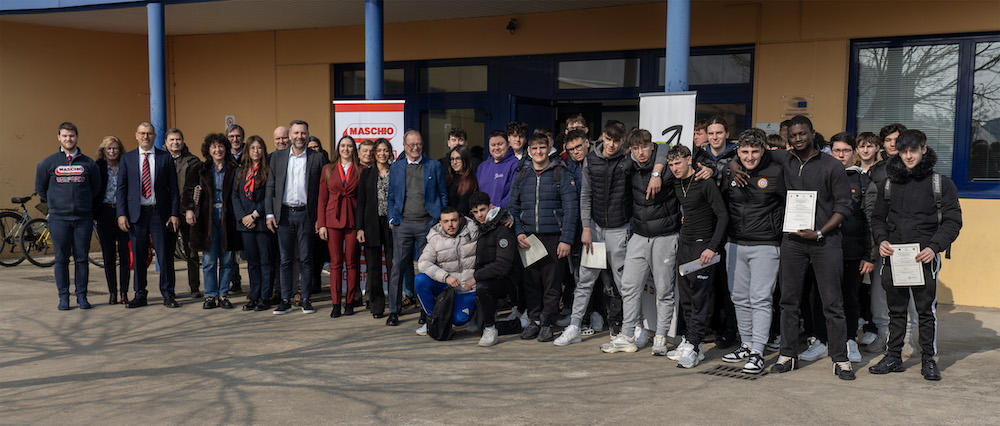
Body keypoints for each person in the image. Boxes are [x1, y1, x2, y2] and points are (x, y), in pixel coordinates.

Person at [731, 115, 855, 380]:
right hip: (793, 242)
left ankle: (840, 358)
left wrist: (820, 231)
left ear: (812, 133)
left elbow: (844, 206)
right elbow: (749, 151)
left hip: (825, 241)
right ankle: (787, 355)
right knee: (788, 302)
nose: (798, 139)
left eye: (803, 134)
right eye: (793, 135)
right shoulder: (784, 159)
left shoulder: (832, 166)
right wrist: (732, 165)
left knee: (832, 303)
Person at [869, 129, 962, 381]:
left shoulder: (940, 183)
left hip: (925, 257)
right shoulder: (889, 183)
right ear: (898, 152)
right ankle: (893, 357)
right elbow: (877, 218)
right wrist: (882, 240)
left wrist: (934, 247)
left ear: (923, 149)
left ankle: (928, 360)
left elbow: (953, 221)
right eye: (904, 151)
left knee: (925, 311)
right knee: (896, 310)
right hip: (894, 256)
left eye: (913, 150)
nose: (909, 156)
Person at [610, 129, 683, 355]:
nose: (641, 152)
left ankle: (660, 336)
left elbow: (665, 148)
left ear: (652, 146)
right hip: (639, 235)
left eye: (644, 147)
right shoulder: (629, 167)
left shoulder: (666, 166)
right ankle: (628, 334)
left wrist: (657, 173)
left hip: (665, 235)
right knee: (629, 286)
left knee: (664, 289)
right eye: (636, 148)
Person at [720, 129, 785, 374]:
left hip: (766, 245)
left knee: (760, 299)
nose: (749, 157)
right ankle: (746, 344)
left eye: (754, 152)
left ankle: (758, 350)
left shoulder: (776, 172)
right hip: (735, 243)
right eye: (744, 152)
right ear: (737, 151)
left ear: (763, 151)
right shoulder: (730, 171)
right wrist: (732, 165)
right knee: (738, 297)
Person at [508, 133, 578, 342]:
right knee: (530, 283)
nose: (538, 152)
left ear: (549, 149)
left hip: (553, 237)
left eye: (542, 148)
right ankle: (534, 320)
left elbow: (571, 208)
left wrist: (566, 239)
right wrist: (519, 232)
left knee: (552, 283)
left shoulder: (560, 173)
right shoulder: (522, 174)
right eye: (535, 148)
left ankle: (547, 322)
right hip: (528, 238)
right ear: (529, 151)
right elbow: (513, 206)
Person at [667, 144, 728, 368]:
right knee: (686, 298)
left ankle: (694, 344)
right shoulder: (677, 182)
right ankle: (692, 341)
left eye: (678, 163)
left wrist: (712, 247)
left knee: (700, 298)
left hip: (703, 248)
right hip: (685, 244)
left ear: (689, 160)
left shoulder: (705, 182)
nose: (674, 168)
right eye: (671, 164)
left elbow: (722, 216)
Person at [35, 122, 101, 310]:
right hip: (59, 220)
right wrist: (55, 204)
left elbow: (96, 188)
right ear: (58, 137)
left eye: (71, 136)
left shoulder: (88, 164)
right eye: (64, 136)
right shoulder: (47, 163)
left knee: (81, 259)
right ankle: (63, 297)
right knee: (61, 259)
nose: (68, 139)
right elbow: (41, 188)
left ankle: (82, 297)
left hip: (83, 220)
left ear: (77, 137)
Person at [265, 120, 329, 315]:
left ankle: (306, 299)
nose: (299, 136)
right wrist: (269, 213)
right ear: (290, 135)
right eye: (296, 133)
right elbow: (271, 186)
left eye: (303, 133)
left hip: (306, 215)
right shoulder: (277, 157)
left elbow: (322, 191)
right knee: (285, 259)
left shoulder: (317, 158)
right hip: (284, 215)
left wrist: (320, 218)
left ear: (308, 135)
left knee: (306, 259)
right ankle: (285, 299)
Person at [386, 130, 448, 326]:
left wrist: (439, 219)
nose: (415, 147)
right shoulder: (396, 168)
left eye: (419, 144)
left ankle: (425, 310)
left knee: (426, 269)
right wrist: (392, 217)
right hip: (402, 224)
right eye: (411, 144)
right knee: (398, 267)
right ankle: (394, 311)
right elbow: (391, 197)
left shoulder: (434, 166)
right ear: (404, 146)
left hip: (427, 224)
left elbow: (443, 194)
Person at [116, 122, 181, 309]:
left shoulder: (164, 158)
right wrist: (121, 214)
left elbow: (174, 189)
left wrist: (174, 213)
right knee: (138, 256)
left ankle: (168, 294)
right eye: (143, 133)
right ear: (136, 135)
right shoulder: (127, 159)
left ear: (154, 136)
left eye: (149, 134)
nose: (146, 137)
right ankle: (140, 294)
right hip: (136, 216)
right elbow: (121, 189)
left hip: (159, 214)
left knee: (165, 256)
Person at [183, 133, 241, 309]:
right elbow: (187, 190)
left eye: (221, 146)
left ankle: (223, 295)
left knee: (227, 259)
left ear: (226, 148)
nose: (218, 150)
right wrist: (189, 210)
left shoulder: (234, 168)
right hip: (206, 219)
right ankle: (210, 296)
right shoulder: (200, 168)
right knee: (208, 260)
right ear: (208, 149)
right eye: (214, 147)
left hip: (228, 218)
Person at [469, 191, 525, 346]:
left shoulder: (503, 226)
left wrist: (476, 277)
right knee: (479, 328)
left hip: (505, 280)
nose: (479, 215)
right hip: (486, 279)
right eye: (475, 212)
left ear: (491, 207)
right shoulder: (477, 227)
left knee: (482, 287)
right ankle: (519, 325)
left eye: (482, 210)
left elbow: (503, 266)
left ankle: (491, 329)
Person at [413, 207, 479, 336]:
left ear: (460, 220)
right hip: (448, 287)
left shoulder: (474, 230)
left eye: (454, 220)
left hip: (468, 288)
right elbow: (423, 263)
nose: (450, 225)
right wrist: (445, 277)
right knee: (420, 280)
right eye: (446, 221)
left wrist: (507, 218)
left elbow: (493, 222)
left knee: (459, 320)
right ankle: (434, 319)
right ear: (440, 222)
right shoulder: (435, 237)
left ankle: (476, 311)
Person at [318, 135, 361, 318]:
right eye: (343, 146)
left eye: (350, 146)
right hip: (332, 219)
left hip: (353, 219)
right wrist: (321, 224)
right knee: (335, 263)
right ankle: (336, 303)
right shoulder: (328, 169)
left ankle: (350, 302)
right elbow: (322, 198)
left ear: (354, 149)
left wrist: (362, 226)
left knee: (351, 262)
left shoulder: (361, 170)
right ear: (338, 149)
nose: (346, 149)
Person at [231, 135, 273, 311]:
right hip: (245, 225)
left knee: (266, 262)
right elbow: (235, 196)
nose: (256, 151)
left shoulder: (268, 170)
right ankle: (254, 296)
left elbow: (270, 196)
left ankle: (265, 297)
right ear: (247, 151)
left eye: (259, 148)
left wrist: (255, 215)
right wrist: (243, 217)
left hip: (262, 223)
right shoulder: (241, 171)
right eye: (252, 148)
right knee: (252, 262)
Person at [357, 138, 394, 318]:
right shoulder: (366, 174)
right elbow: (361, 203)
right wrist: (360, 228)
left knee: (393, 265)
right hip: (371, 225)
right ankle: (377, 306)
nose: (382, 154)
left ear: (390, 153)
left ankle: (394, 305)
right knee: (373, 268)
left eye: (385, 150)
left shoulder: (396, 172)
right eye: (379, 150)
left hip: (392, 225)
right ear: (374, 153)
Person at [164, 128, 203, 298]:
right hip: (167, 213)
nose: (175, 142)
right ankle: (169, 289)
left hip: (188, 211)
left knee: (192, 252)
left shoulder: (193, 161)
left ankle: (194, 287)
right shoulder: (160, 160)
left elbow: (198, 187)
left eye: (178, 139)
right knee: (168, 252)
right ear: (166, 142)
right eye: (171, 140)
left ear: (183, 140)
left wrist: (192, 209)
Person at [95, 136, 131, 305]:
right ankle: (112, 292)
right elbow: (93, 191)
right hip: (104, 213)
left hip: (124, 213)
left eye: (115, 148)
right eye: (109, 149)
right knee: (108, 255)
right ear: (103, 150)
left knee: (125, 255)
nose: (112, 151)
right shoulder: (98, 167)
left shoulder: (126, 165)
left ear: (120, 150)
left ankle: (124, 292)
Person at [225, 124, 246, 296]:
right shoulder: (223, 155)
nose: (235, 139)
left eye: (238, 136)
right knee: (230, 250)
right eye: (231, 136)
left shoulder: (250, 154)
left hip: (247, 209)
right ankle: (235, 282)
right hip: (228, 209)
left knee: (247, 250)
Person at [475, 130, 519, 208]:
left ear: (508, 144)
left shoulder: (515, 164)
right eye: (493, 145)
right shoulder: (482, 167)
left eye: (500, 144)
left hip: (504, 215)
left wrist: (495, 210)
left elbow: (513, 194)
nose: (496, 148)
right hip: (482, 216)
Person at [445, 145, 478, 216]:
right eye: (452, 159)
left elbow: (462, 208)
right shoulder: (448, 179)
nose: (454, 162)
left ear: (465, 159)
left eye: (458, 159)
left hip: (460, 220)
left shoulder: (470, 181)